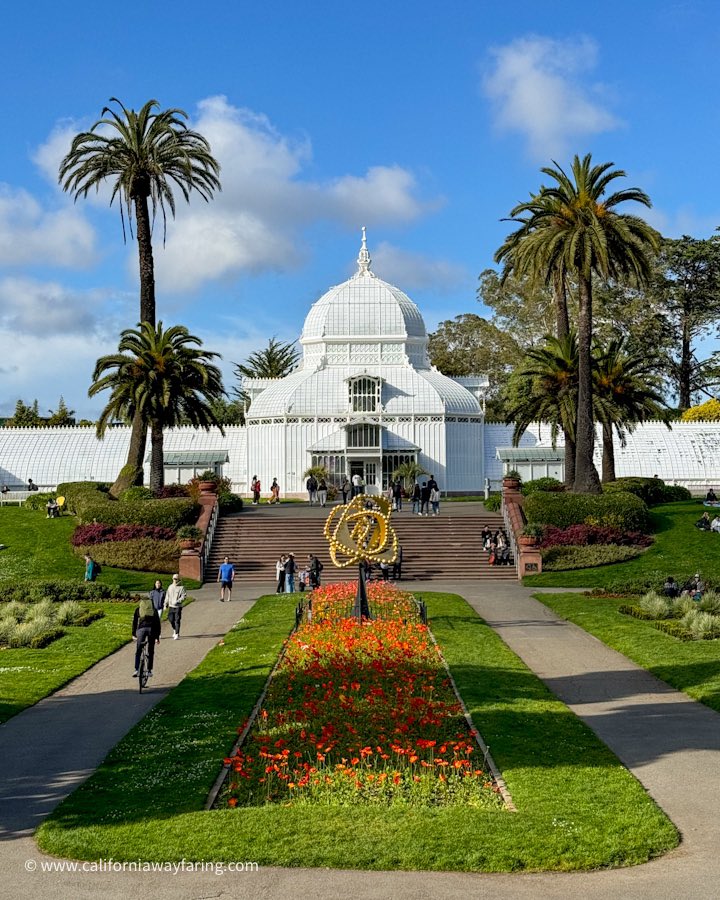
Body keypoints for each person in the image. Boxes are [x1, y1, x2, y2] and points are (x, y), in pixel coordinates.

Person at [132, 594, 161, 677]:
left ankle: (136, 669)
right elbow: (157, 624)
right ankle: (149, 670)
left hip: (141, 630)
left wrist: (134, 634)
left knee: (138, 650)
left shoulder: (138, 610)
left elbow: (134, 622)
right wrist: (157, 637)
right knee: (150, 650)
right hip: (151, 630)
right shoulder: (153, 610)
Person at [164, 573, 186, 638]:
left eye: (176, 579)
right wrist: (165, 604)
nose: (175, 580)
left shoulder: (181, 587)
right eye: (174, 579)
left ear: (178, 579)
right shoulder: (170, 587)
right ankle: (174, 629)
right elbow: (167, 596)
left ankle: (177, 633)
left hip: (178, 607)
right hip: (171, 606)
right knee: (170, 619)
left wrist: (177, 601)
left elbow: (183, 596)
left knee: (177, 620)